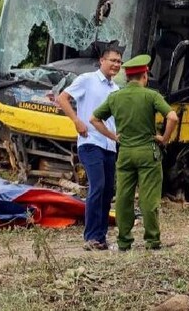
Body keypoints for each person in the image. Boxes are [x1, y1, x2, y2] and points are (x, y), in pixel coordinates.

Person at [90, 55, 179, 251]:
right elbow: (172, 117)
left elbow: (94, 119)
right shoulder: (151, 95)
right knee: (148, 198)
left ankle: (124, 241)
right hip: (148, 153)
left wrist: (113, 136)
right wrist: (164, 138)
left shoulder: (115, 97)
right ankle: (152, 240)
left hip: (125, 154)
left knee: (123, 197)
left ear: (128, 77)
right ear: (145, 75)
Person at [56, 47, 121, 251]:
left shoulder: (116, 90)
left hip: (109, 144)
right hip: (90, 141)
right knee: (98, 185)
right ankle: (91, 236)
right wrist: (76, 120)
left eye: (119, 62)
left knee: (108, 190)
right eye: (112, 60)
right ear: (101, 60)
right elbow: (62, 98)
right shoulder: (87, 79)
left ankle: (101, 237)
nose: (116, 64)